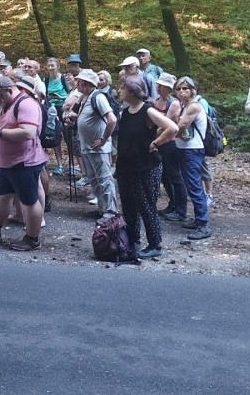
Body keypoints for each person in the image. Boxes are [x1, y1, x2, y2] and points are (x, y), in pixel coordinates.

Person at [0, 75, 47, 251]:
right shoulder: (9, 104)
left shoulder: (26, 104)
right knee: (3, 197)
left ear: (9, 90)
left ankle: (32, 238)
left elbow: (28, 132)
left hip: (24, 162)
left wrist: (0, 132)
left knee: (29, 200)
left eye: (0, 94)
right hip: (9, 163)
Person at [116, 76, 178, 259]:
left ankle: (154, 244)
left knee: (146, 206)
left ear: (132, 91)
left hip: (146, 167)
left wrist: (156, 142)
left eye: (122, 88)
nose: (119, 91)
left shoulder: (147, 111)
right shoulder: (125, 112)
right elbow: (124, 141)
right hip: (126, 167)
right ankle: (133, 240)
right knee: (128, 207)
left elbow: (172, 128)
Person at [72, 69, 118, 224]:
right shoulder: (86, 97)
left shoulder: (98, 97)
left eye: (79, 81)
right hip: (88, 148)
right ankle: (103, 208)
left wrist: (103, 139)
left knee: (104, 180)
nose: (76, 83)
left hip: (98, 148)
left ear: (86, 83)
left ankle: (111, 212)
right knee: (95, 180)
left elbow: (112, 119)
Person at [173, 76, 211, 240]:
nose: (181, 91)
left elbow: (180, 126)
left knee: (195, 186)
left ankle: (203, 225)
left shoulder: (194, 106)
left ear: (192, 90)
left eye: (185, 88)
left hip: (192, 150)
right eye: (179, 89)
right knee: (191, 185)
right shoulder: (186, 106)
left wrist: (168, 134)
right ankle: (198, 220)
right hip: (185, 148)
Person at [153, 73, 186, 222]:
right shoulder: (156, 101)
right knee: (164, 176)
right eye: (158, 85)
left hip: (171, 143)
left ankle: (181, 209)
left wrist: (152, 133)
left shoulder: (174, 103)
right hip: (159, 142)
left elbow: (166, 124)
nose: (158, 88)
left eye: (161, 86)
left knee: (175, 176)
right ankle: (172, 204)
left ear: (168, 88)